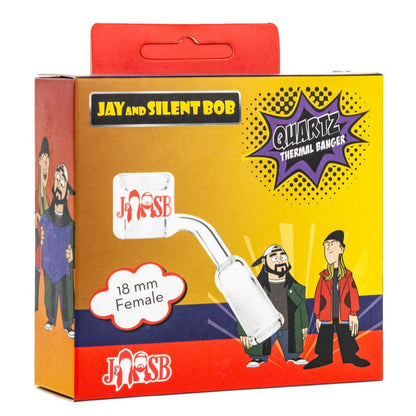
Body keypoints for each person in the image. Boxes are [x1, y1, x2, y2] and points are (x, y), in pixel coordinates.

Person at [304, 230, 370, 369]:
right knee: (324, 336)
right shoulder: (323, 276)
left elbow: (353, 294)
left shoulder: (347, 275)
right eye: (326, 245)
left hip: (343, 314)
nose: (328, 248)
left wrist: (353, 314)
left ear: (341, 249)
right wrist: (317, 316)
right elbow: (318, 297)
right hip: (326, 315)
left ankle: (350, 356)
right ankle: (324, 358)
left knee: (346, 335)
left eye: (332, 244)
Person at [238, 244, 309, 367]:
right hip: (266, 328)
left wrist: (304, 325)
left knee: (293, 347)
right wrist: (243, 331)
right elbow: (245, 310)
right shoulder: (255, 289)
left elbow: (301, 307)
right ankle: (258, 357)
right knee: (260, 348)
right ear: (264, 262)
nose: (280, 261)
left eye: (283, 257)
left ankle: (293, 356)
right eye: (275, 258)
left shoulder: (296, 288)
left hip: (289, 327)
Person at [40, 163, 75, 338]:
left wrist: (73, 255)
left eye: (63, 182)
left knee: (67, 293)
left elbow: (74, 244)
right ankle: (51, 319)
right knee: (50, 292)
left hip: (64, 266)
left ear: (67, 193)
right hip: (50, 263)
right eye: (57, 180)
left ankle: (68, 324)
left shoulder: (71, 224)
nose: (59, 185)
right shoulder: (46, 216)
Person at [35, 137, 50, 311]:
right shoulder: (36, 194)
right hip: (37, 252)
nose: (46, 167)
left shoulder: (48, 197)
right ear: (39, 161)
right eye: (44, 162)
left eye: (48, 163)